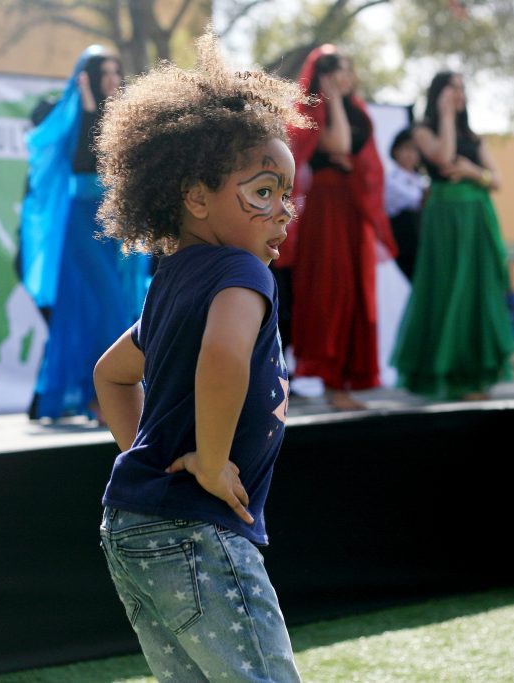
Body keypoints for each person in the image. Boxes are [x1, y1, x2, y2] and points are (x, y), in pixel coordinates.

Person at [91, 31, 309, 682]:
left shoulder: (170, 282)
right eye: (264, 191)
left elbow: (110, 375)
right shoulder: (244, 273)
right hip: (198, 532)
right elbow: (222, 354)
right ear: (196, 197)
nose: (284, 213)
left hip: (132, 527)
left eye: (286, 195)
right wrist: (209, 463)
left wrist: (146, 459)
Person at [18, 46, 149, 423]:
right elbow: (78, 162)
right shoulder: (72, 115)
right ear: (88, 79)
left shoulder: (127, 118)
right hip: (83, 223)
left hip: (119, 222)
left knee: (124, 308)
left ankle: (99, 398)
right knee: (102, 305)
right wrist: (89, 107)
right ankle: (97, 397)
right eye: (103, 73)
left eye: (115, 72)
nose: (113, 79)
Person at [279, 45, 397, 411]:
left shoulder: (358, 110)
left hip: (354, 211)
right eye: (337, 70)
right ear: (323, 76)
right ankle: (333, 386)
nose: (345, 76)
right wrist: (331, 103)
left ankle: (347, 380)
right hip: (326, 212)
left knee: (357, 295)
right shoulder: (312, 113)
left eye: (348, 69)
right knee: (333, 293)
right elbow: (341, 144)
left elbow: (365, 161)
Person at [391, 71, 514, 401]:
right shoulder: (422, 130)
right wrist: (445, 115)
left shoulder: (474, 137)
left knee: (479, 291)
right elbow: (443, 158)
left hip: (478, 217)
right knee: (450, 290)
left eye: (462, 88)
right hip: (446, 218)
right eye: (452, 88)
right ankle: (452, 376)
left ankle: (476, 376)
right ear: (437, 93)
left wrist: (474, 172)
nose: (458, 94)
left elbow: (498, 180)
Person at [385, 127, 429, 281]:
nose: (410, 154)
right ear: (395, 151)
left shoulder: (422, 179)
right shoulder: (391, 180)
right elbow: (417, 200)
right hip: (406, 242)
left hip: (425, 241)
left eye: (414, 150)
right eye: (405, 149)